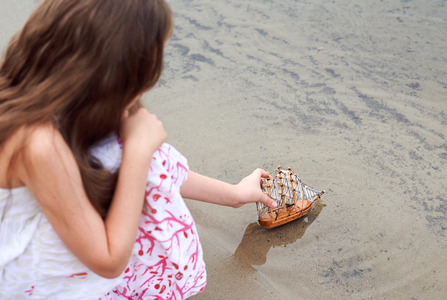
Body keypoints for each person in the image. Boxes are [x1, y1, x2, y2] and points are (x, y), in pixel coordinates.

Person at [0, 0, 277, 299]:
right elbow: (108, 260)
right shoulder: (38, 142)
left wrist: (235, 195)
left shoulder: (58, 104)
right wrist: (138, 151)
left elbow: (161, 168)